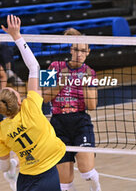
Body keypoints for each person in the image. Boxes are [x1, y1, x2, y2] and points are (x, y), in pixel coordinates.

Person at [0, 15, 66, 191]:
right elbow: (34, 67)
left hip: (25, 180)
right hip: (47, 174)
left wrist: (11, 162)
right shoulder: (31, 107)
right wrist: (16, 36)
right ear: (19, 101)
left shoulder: (2, 130)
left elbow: (3, 167)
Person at [43, 28, 101, 191]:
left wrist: (84, 84)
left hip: (80, 122)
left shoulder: (90, 72)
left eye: (83, 51)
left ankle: (96, 187)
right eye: (76, 50)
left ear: (88, 52)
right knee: (65, 183)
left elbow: (92, 106)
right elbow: (44, 98)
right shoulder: (54, 66)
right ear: (71, 49)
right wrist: (60, 83)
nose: (79, 54)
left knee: (87, 172)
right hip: (58, 124)